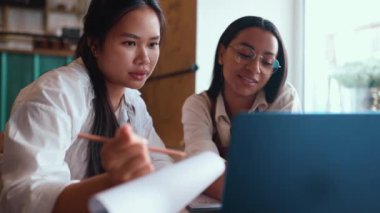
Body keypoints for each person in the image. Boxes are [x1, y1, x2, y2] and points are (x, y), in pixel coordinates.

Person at [0, 0, 173, 212]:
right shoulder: (55, 94)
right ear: (95, 44)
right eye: (130, 43)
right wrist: (113, 182)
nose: (144, 58)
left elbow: (160, 164)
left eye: (153, 44)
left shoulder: (133, 103)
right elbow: (25, 196)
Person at [182, 16, 302, 200]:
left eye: (267, 62)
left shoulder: (284, 98)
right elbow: (203, 171)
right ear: (221, 54)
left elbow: (277, 170)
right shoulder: (198, 106)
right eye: (245, 54)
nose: (255, 68)